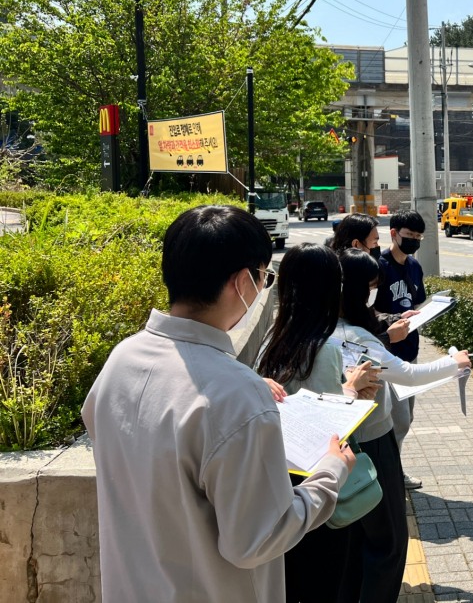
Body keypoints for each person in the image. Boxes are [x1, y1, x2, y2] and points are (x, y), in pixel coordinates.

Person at [81, 205, 356, 602]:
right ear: (242, 282)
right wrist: (330, 473)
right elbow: (257, 539)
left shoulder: (121, 359)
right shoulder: (238, 394)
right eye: (264, 276)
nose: (262, 287)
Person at [335, 247, 471, 603]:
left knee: (351, 537)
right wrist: (454, 362)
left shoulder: (312, 329)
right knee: (389, 539)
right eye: (370, 286)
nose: (373, 294)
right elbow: (409, 374)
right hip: (372, 445)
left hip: (334, 447)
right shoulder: (354, 337)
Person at [256, 243, 381, 603]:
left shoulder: (274, 337)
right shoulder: (322, 348)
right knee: (324, 585)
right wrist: (352, 390)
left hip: (280, 485)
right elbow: (328, 427)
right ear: (330, 289)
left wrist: (346, 389)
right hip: (317, 494)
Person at [373, 209, 427, 489]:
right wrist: (393, 320)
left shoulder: (415, 266)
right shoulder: (378, 267)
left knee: (406, 417)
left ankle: (393, 470)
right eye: (409, 235)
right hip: (387, 354)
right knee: (399, 420)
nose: (414, 241)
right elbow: (369, 310)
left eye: (418, 237)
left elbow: (416, 303)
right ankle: (389, 475)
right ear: (393, 234)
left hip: (410, 352)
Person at [328, 213, 414, 348]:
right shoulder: (339, 280)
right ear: (356, 244)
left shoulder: (352, 271)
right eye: (374, 242)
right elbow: (349, 344)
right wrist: (387, 338)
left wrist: (395, 318)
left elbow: (365, 313)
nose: (377, 247)